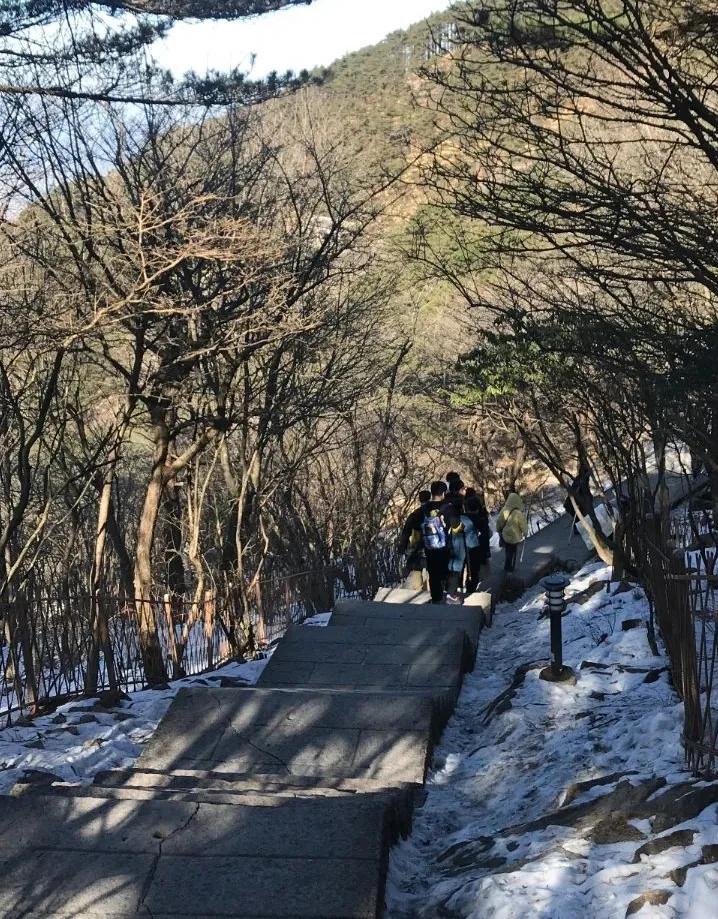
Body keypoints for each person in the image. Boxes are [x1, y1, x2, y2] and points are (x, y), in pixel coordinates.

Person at [400, 480, 449, 602]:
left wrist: (402, 547)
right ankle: (441, 594)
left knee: (425, 574)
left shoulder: (417, 512)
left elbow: (406, 530)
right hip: (440, 547)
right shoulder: (443, 509)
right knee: (438, 573)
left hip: (421, 548)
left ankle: (430, 597)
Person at [398, 490, 431, 589]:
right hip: (433, 547)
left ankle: (418, 592)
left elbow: (406, 532)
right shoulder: (434, 512)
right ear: (430, 498)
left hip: (417, 548)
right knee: (432, 572)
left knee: (416, 571)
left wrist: (402, 548)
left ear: (419, 500)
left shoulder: (414, 514)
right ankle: (431, 592)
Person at [496, 492, 528, 572]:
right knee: (513, 551)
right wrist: (525, 532)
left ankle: (508, 565)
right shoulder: (518, 513)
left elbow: (499, 521)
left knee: (508, 550)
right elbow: (523, 524)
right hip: (514, 536)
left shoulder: (504, 510)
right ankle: (510, 567)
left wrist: (498, 529)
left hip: (506, 535)